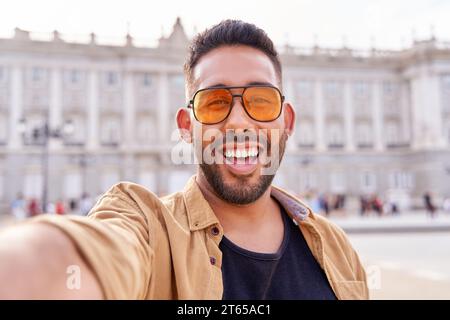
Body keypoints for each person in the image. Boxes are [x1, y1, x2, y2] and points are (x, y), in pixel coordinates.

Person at [0, 20, 368, 300]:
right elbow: (90, 253)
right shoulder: (147, 227)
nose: (239, 120)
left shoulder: (336, 247)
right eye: (214, 102)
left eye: (260, 100)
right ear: (186, 126)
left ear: (286, 121)